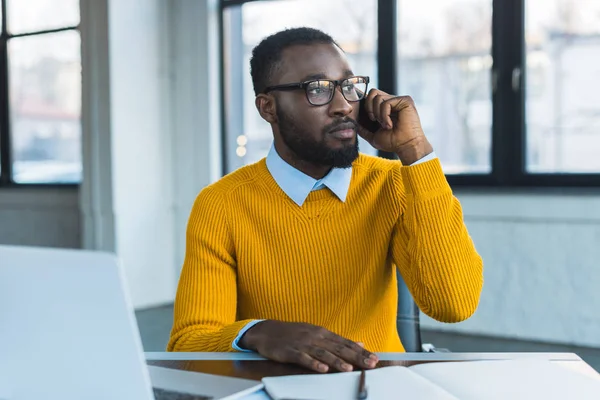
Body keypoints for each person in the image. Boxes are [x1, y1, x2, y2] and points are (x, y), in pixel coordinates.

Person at [167, 27, 484, 374]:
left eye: (348, 86)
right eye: (317, 89)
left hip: (377, 385)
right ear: (268, 107)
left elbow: (454, 304)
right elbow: (188, 346)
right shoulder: (222, 203)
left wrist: (415, 152)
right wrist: (259, 332)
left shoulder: (390, 184)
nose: (344, 106)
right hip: (275, 388)